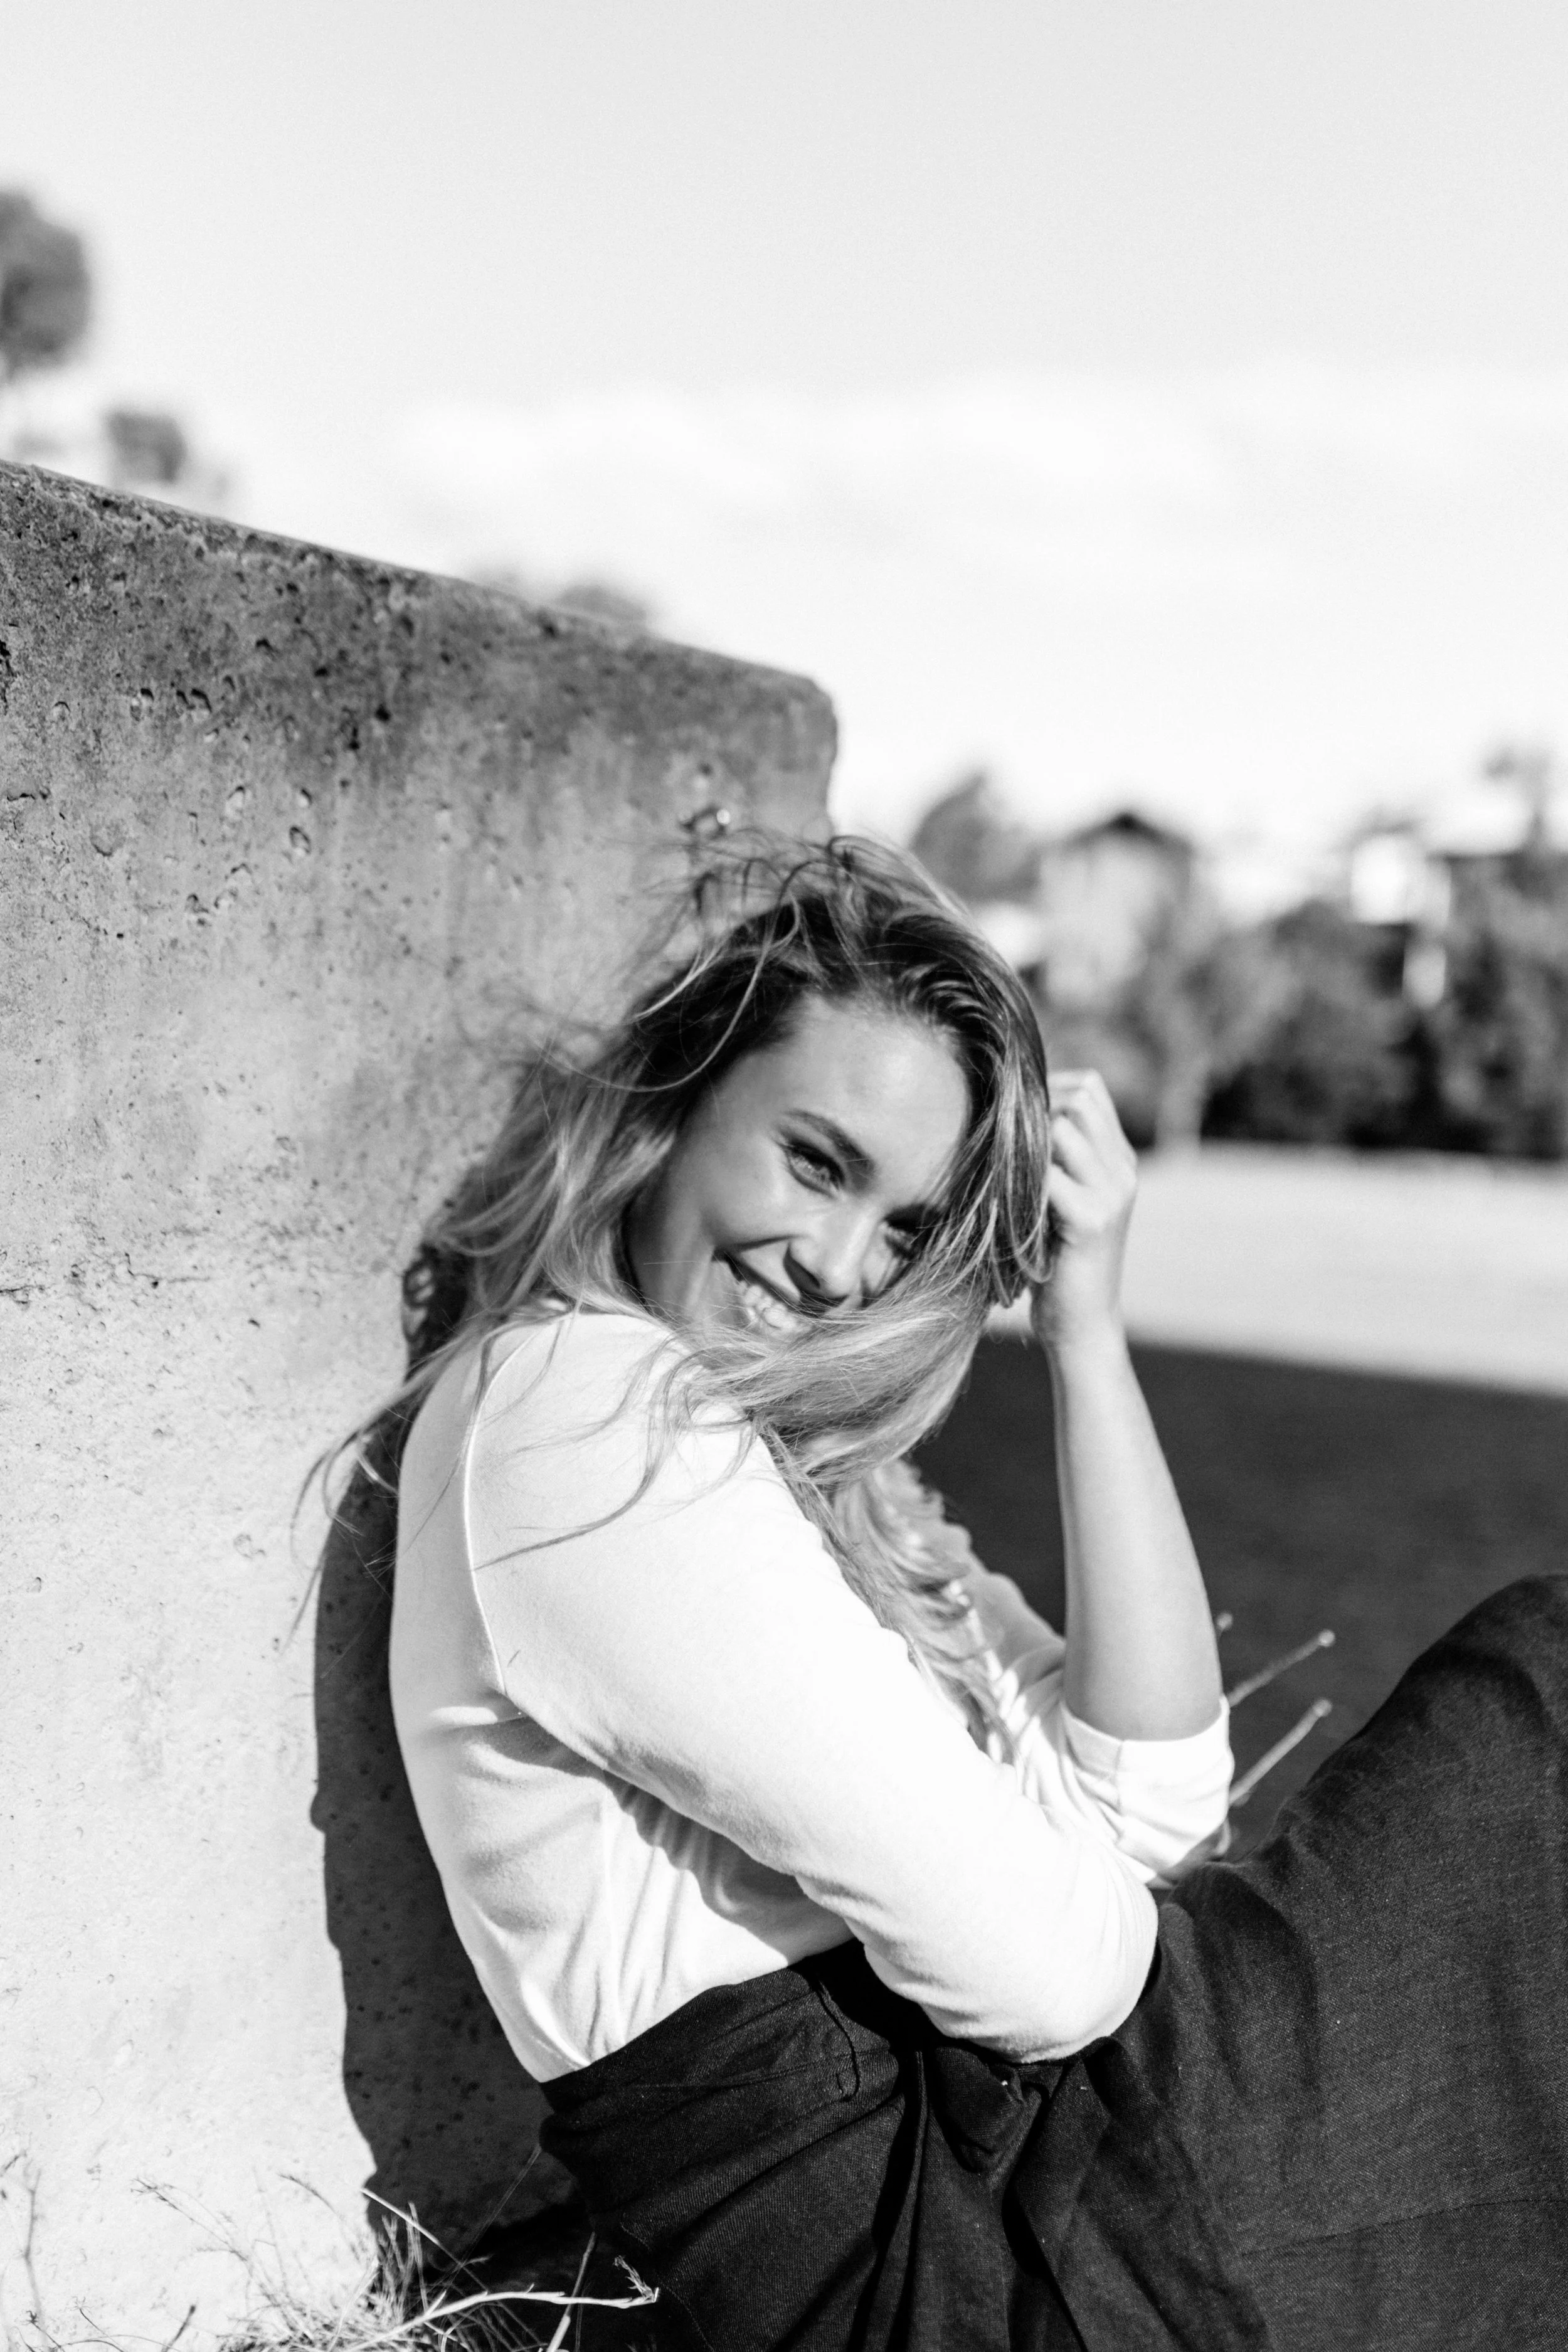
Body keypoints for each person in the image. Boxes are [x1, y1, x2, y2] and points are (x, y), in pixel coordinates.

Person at [379, 835, 1568, 2351]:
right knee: (1536, 1696)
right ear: (672, 1102)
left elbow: (1152, 1807)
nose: (835, 1270)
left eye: (904, 1231)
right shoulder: (579, 1411)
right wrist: (1049, 1874)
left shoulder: (799, 1473)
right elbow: (1056, 1969)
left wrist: (1084, 1330)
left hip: (1036, 2184)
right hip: (949, 2259)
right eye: (813, 1162)